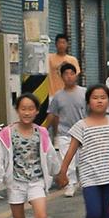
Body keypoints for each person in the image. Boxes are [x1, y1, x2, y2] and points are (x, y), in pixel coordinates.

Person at [55, 85, 109, 218]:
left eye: (103, 97)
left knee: (107, 215)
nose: (99, 101)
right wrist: (63, 172)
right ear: (88, 102)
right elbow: (71, 151)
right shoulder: (81, 126)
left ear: (108, 101)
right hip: (90, 177)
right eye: (95, 97)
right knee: (93, 213)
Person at [45, 62, 86, 197]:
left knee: (84, 159)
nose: (69, 76)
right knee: (68, 161)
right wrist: (43, 130)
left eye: (71, 74)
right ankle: (71, 184)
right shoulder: (58, 96)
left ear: (76, 75)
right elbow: (52, 114)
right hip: (65, 133)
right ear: (61, 77)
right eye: (66, 74)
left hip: (83, 132)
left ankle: (86, 182)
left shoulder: (84, 93)